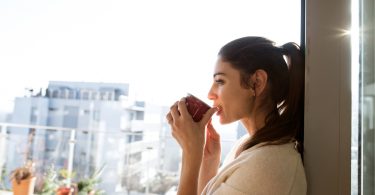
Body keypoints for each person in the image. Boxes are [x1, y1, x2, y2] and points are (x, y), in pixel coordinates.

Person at [166, 36, 307, 195]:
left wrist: (191, 154)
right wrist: (209, 161)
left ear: (257, 82)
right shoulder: (246, 144)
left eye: (220, 81)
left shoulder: (267, 165)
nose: (210, 94)